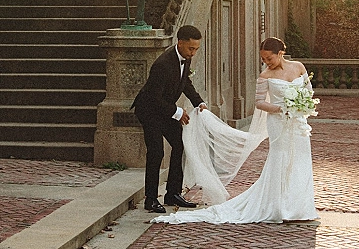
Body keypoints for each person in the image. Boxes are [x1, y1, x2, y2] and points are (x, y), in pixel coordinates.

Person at [153, 37, 319, 225]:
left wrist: (302, 106)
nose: (266, 63)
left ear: (280, 53)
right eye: (263, 59)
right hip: (278, 122)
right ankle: (279, 206)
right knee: (280, 159)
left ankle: (300, 206)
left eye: (269, 58)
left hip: (298, 122)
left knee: (300, 159)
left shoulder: (299, 67)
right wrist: (281, 109)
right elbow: (259, 103)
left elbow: (308, 91)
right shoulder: (265, 76)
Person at [132, 25, 207, 214]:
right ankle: (150, 199)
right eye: (191, 49)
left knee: (180, 144)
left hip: (164, 110)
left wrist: (199, 102)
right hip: (149, 111)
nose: (193, 53)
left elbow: (185, 83)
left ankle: (172, 193)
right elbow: (153, 98)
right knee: (156, 152)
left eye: (197, 49)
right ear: (180, 43)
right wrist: (177, 112)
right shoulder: (162, 64)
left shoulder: (185, 58)